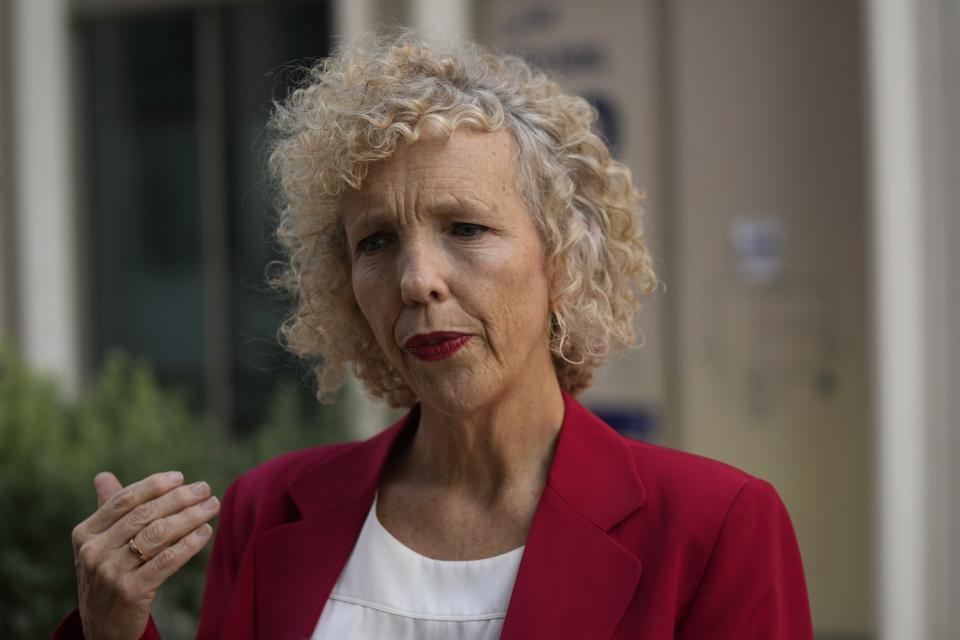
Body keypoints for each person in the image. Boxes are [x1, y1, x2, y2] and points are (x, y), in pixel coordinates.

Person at [55, 30, 812, 639]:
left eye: (465, 228)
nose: (418, 279)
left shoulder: (714, 527)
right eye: (376, 242)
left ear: (565, 259)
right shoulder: (271, 509)